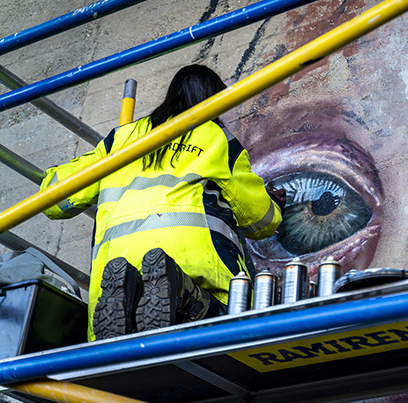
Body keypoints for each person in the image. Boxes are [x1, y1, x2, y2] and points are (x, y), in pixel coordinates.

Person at [40, 64, 284, 341]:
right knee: (227, 315)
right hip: (192, 261)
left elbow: (53, 200)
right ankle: (180, 290)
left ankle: (129, 294)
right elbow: (259, 220)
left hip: (115, 261)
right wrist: (275, 205)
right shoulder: (215, 137)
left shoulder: (121, 138)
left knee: (120, 341)